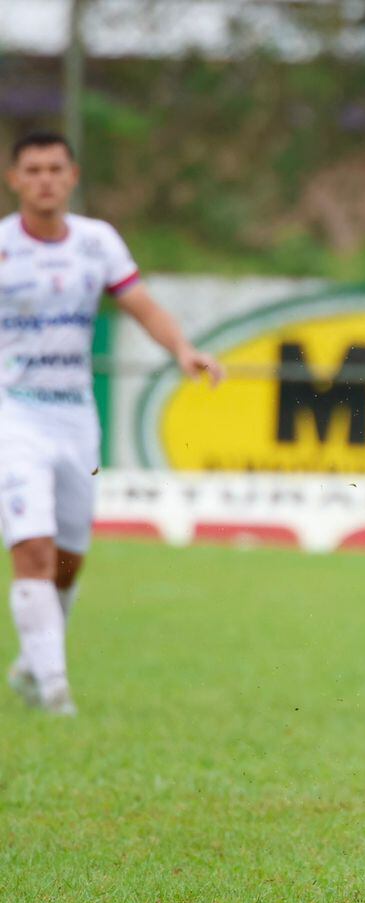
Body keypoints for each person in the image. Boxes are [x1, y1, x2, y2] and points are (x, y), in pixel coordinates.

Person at [2, 132, 222, 717]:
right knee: (32, 550)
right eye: (33, 169)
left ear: (72, 176)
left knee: (70, 555)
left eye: (55, 168)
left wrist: (182, 349)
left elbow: (141, 304)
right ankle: (54, 690)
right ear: (14, 180)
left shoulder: (97, 242)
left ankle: (32, 663)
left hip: (75, 416)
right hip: (13, 412)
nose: (45, 179)